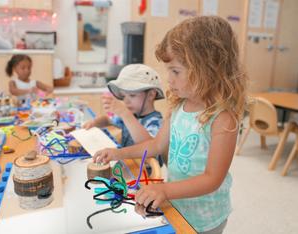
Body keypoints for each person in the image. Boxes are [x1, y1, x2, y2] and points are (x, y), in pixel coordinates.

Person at [93, 16, 248, 234]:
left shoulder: (223, 118)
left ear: (207, 69)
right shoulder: (178, 107)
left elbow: (212, 179)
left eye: (175, 71)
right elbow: (156, 145)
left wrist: (164, 189)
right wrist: (118, 153)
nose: (169, 79)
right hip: (177, 204)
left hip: (206, 217)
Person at [83, 64, 165, 164]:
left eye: (132, 95)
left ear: (151, 95)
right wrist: (94, 122)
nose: (126, 101)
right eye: (123, 96)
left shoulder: (155, 121)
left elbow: (151, 147)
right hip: (125, 168)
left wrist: (125, 113)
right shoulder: (131, 115)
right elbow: (108, 120)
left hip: (143, 175)